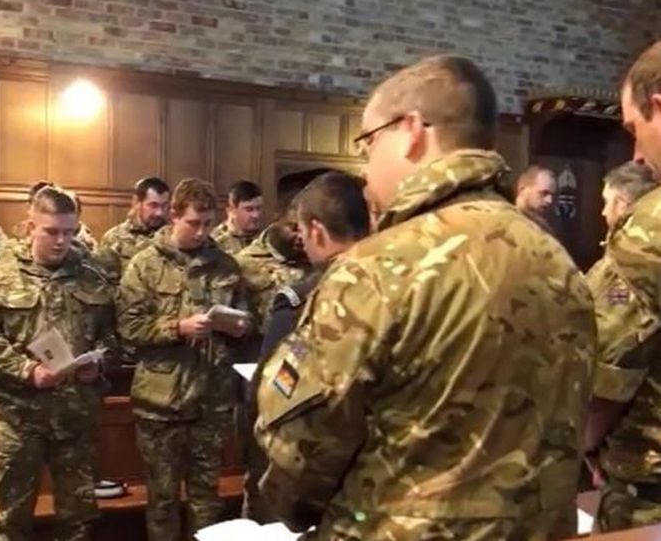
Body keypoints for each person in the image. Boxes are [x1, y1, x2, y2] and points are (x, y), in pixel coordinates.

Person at [255, 55, 596, 539]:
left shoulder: (380, 267)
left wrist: (295, 512)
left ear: (412, 130)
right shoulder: (559, 261)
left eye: (369, 143)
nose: (366, 171)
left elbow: (301, 451)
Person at [0, 185, 117, 541]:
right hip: (20, 419)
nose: (61, 241)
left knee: (79, 523)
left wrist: (100, 362)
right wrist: (26, 370)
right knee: (13, 524)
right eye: (51, 231)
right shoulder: (1, 275)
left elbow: (113, 337)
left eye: (69, 232)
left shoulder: (92, 276)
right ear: (30, 227)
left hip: (76, 420)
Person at [117, 178, 250, 541]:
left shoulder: (225, 265)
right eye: (194, 223)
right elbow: (128, 328)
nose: (202, 232)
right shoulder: (144, 265)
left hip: (211, 400)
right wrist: (177, 327)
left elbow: (244, 317)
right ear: (173, 216)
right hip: (162, 403)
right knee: (162, 501)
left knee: (207, 499)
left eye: (208, 223)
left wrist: (238, 327)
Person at [236, 171, 370, 523]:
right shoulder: (407, 287)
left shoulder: (303, 298)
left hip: (309, 482)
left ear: (315, 231)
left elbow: (268, 400)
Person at [584, 41, 661, 531]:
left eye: (635, 129)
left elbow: (602, 375)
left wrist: (584, 443)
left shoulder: (652, 225)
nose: (637, 154)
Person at [95, 176, 170, 283]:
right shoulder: (114, 238)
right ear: (136, 203)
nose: (160, 213)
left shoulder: (173, 237)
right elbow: (104, 284)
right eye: (153, 205)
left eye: (164, 206)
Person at [212, 180, 264, 255]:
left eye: (258, 208)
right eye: (249, 209)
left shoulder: (265, 240)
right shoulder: (215, 242)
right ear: (231, 210)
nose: (256, 215)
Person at [514, 164, 558, 234]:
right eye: (544, 193)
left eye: (552, 195)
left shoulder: (542, 228)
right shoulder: (509, 225)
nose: (549, 201)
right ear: (523, 189)